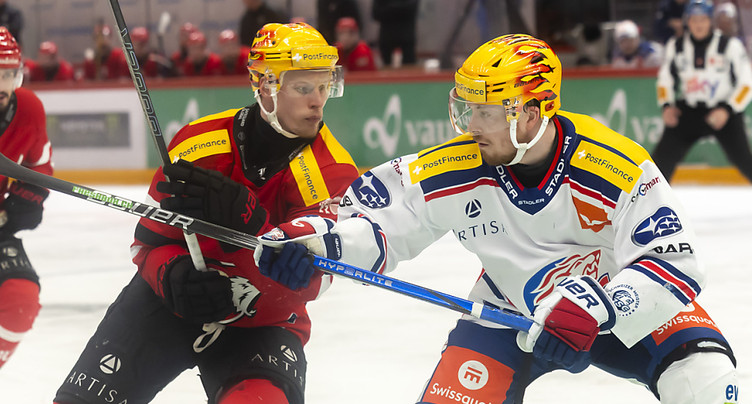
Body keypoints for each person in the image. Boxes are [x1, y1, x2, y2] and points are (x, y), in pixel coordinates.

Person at [255, 33, 740, 403]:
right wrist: (313, 241)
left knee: (708, 382)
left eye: (486, 112)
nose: (472, 126)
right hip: (508, 307)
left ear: (533, 112)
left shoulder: (616, 166)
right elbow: (380, 219)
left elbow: (672, 260)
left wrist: (602, 306)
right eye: (467, 110)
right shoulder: (458, 164)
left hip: (615, 304)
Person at [52, 22, 359, 404]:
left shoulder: (333, 172)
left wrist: (254, 224)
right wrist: (171, 275)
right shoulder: (200, 143)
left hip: (261, 322)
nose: (318, 102)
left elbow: (312, 281)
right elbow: (148, 243)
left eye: (325, 86)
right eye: (303, 88)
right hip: (167, 305)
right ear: (265, 85)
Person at [0, 27, 53, 369]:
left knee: (20, 300)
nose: (2, 86)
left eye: (8, 74)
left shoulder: (28, 108)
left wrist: (27, 198)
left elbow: (39, 166)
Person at [654, 0, 752, 183]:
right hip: (689, 111)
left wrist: (728, 109)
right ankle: (649, 199)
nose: (698, 24)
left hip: (724, 112)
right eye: (694, 19)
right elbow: (664, 81)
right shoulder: (676, 46)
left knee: (745, 162)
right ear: (687, 22)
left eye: (703, 19)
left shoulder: (730, 46)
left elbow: (747, 83)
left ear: (710, 21)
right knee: (659, 164)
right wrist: (666, 106)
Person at [372, 0, 419, 67]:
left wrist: (389, 8)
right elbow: (376, 13)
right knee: (386, 69)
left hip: (406, 38)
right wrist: (400, 8)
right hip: (386, 38)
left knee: (409, 68)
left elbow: (411, 9)